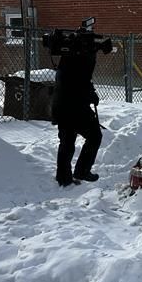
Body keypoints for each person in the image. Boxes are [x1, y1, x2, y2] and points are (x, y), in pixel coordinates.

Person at [51, 40, 102, 187]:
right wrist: (90, 96)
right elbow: (77, 84)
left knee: (67, 142)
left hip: (63, 107)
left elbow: (80, 81)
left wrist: (90, 92)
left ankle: (63, 178)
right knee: (94, 136)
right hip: (75, 108)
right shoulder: (81, 59)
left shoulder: (68, 58)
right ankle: (82, 171)